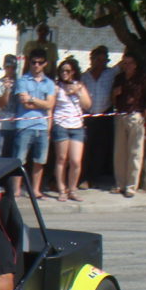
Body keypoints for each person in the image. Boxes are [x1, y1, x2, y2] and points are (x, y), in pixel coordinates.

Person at [11, 49, 56, 197]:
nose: (36, 65)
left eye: (40, 63)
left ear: (45, 64)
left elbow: (50, 105)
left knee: (39, 160)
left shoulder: (49, 83)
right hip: (24, 125)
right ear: (29, 63)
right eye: (34, 62)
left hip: (42, 126)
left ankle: (35, 190)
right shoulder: (22, 80)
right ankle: (16, 190)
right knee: (19, 160)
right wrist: (41, 102)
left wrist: (33, 99)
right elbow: (24, 103)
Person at [111, 52, 146, 197]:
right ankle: (120, 184)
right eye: (125, 63)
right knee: (120, 152)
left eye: (129, 63)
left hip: (136, 115)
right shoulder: (119, 78)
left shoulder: (143, 79)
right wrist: (115, 94)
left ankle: (131, 186)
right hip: (121, 114)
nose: (127, 66)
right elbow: (112, 99)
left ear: (135, 65)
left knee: (135, 152)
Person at [52, 57, 91, 201]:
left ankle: (72, 188)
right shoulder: (57, 86)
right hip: (61, 123)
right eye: (62, 70)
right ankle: (62, 189)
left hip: (77, 126)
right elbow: (52, 106)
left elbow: (87, 105)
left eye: (67, 71)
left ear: (73, 72)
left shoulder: (79, 85)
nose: (64, 73)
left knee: (75, 160)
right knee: (62, 158)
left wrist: (78, 92)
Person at [80, 45, 119, 188]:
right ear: (92, 59)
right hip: (88, 116)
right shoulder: (84, 77)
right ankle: (83, 176)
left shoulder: (110, 73)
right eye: (98, 59)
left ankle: (93, 178)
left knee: (100, 148)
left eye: (104, 60)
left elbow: (123, 64)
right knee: (86, 148)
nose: (101, 63)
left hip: (104, 116)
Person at [0, 55, 18, 158]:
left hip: (16, 126)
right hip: (1, 126)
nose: (10, 70)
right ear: (4, 67)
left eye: (13, 67)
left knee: (12, 158)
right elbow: (1, 104)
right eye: (8, 67)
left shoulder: (20, 83)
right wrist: (7, 90)